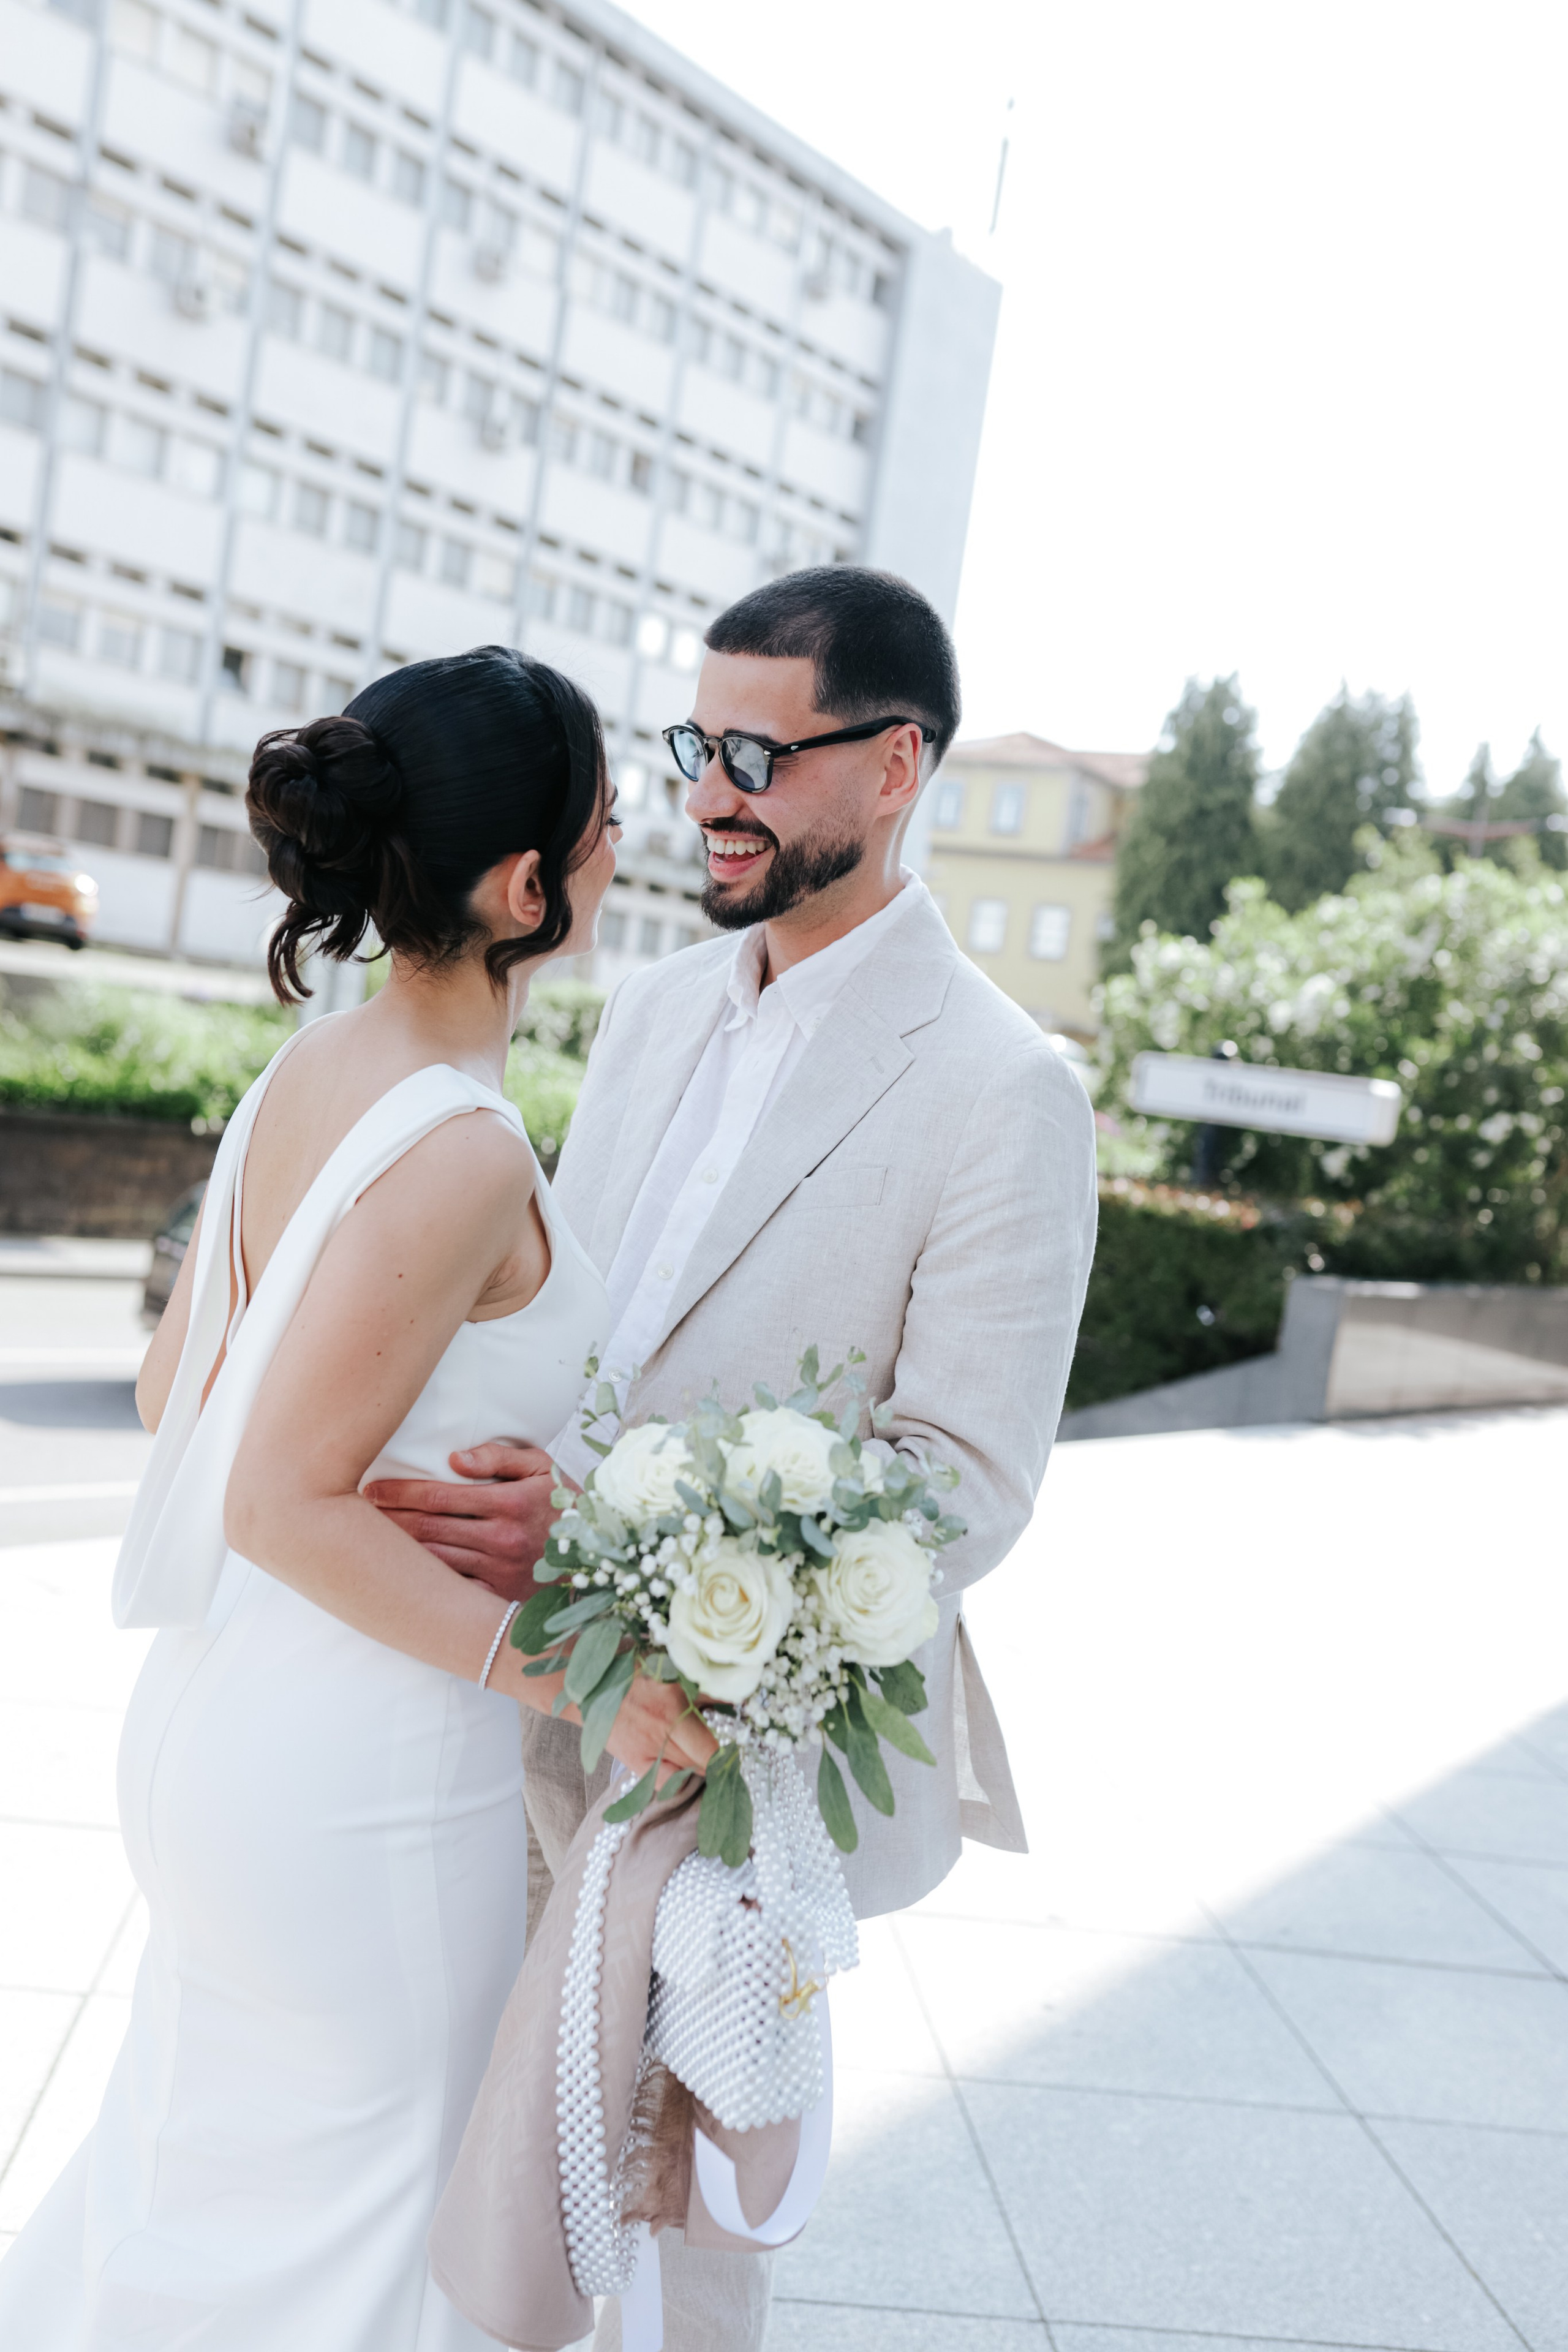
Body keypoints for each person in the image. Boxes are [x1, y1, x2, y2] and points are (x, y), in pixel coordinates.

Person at [369, 570, 1100, 2352]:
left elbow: (961, 1482)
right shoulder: (650, 1011)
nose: (710, 790)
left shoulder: (1008, 1088)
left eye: (761, 752)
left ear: (897, 765)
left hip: (743, 1752)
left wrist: (618, 1538)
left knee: (686, 2203)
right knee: (485, 2146)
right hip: (518, 1677)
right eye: (700, 743)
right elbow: (585, 1325)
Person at [0, 646, 711, 2351]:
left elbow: (185, 1398)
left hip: (224, 1734)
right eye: (611, 824)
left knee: (205, 2189)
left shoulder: (311, 1071)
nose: (632, 851)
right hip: (362, 1785)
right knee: (365, 2254)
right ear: (529, 884)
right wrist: (585, 1675)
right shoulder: (462, 1141)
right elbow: (273, 1499)